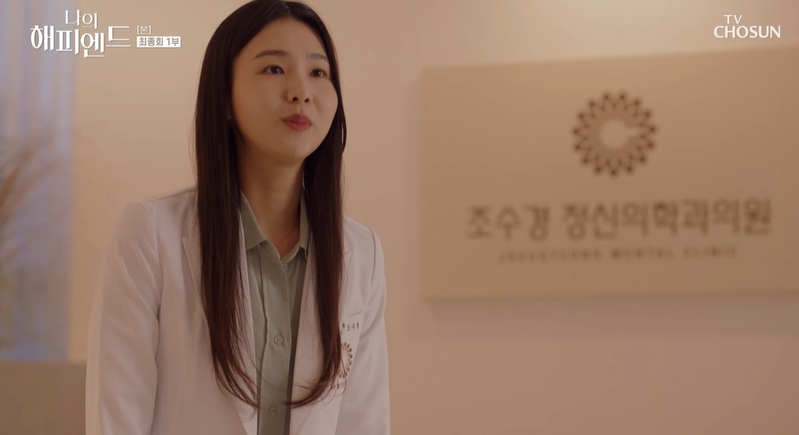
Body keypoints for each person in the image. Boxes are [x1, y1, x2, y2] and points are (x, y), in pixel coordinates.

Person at [84, 1, 390, 434]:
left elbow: (364, 421)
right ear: (224, 98)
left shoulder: (361, 253)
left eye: (318, 72)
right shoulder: (151, 233)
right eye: (274, 69)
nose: (301, 91)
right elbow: (117, 416)